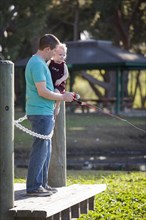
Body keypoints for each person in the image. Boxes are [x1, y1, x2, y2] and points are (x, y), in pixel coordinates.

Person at [25, 34, 74, 196]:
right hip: (40, 112)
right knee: (40, 150)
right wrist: (62, 97)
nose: (54, 54)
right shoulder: (38, 64)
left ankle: (42, 184)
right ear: (47, 49)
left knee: (46, 149)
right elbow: (42, 91)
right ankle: (33, 187)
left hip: (45, 112)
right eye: (53, 51)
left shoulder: (40, 63)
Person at [48, 43, 69, 116]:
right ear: (54, 54)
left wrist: (60, 80)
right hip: (50, 82)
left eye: (64, 55)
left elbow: (66, 74)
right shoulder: (50, 62)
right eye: (60, 55)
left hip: (59, 84)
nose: (62, 57)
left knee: (56, 92)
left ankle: (57, 107)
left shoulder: (63, 65)